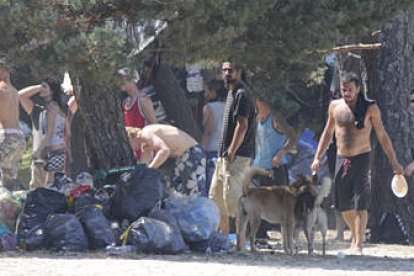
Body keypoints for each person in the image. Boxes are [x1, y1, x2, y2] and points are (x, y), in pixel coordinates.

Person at [310, 72, 404, 254]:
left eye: (350, 90)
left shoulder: (370, 108)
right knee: (342, 204)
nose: (346, 93)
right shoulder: (335, 107)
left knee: (361, 203)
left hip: (362, 157)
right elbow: (327, 133)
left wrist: (394, 162)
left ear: (358, 89)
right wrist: (317, 157)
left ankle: (359, 244)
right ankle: (355, 235)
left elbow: (382, 135)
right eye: (343, 90)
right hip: (340, 157)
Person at [209, 61, 256, 234]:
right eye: (225, 70)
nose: (227, 73)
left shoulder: (242, 94)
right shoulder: (231, 92)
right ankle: (224, 240)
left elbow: (242, 125)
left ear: (240, 71)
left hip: (237, 156)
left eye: (231, 70)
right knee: (217, 199)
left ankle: (240, 242)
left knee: (235, 200)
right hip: (224, 156)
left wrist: (232, 150)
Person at [253, 97, 296, 240]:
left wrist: (281, 153)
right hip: (260, 168)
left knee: (281, 202)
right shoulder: (258, 119)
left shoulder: (275, 119)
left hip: (276, 168)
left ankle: (287, 235)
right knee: (259, 203)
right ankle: (260, 235)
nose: (260, 105)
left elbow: (292, 137)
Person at [126, 124, 206, 196]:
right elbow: (143, 163)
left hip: (193, 153)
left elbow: (164, 150)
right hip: (182, 157)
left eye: (128, 143)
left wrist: (150, 169)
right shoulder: (145, 143)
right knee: (179, 191)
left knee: (193, 191)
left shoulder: (146, 134)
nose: (132, 149)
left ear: (131, 136)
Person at [19, 77, 66, 186]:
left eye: (45, 87)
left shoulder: (59, 110)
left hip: (55, 158)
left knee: (54, 191)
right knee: (37, 194)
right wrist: (40, 87)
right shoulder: (37, 111)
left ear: (53, 91)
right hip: (39, 162)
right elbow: (21, 95)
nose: (41, 89)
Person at [119, 68, 157, 161]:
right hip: (133, 150)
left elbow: (155, 125)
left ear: (132, 80)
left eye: (123, 79)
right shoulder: (125, 102)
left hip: (146, 149)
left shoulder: (143, 100)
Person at [0, 60, 26, 188]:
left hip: (5, 136)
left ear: (4, 70)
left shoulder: (1, 89)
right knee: (10, 179)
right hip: (18, 136)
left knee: (2, 181)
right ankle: (13, 205)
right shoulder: (15, 91)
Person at [200, 79, 227, 196]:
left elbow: (208, 131)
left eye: (207, 91)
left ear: (214, 92)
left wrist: (201, 149)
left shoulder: (208, 108)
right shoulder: (230, 107)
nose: (205, 94)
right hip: (227, 150)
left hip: (212, 150)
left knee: (211, 187)